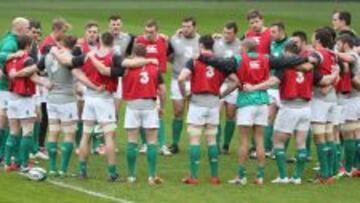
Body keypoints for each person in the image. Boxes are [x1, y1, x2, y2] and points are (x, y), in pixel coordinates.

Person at [179, 35, 239, 185]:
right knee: (212, 140)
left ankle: (193, 176)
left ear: (200, 46)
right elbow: (236, 81)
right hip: (213, 104)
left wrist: (184, 94)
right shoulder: (220, 62)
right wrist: (222, 94)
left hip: (197, 103)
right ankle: (214, 176)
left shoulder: (194, 60)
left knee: (194, 139)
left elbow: (181, 78)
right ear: (213, 46)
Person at [0, 17, 30, 169]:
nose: (29, 30)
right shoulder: (11, 42)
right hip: (6, 88)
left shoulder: (12, 40)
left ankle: (11, 157)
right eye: (27, 27)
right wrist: (14, 56)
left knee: (12, 123)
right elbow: (1, 56)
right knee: (7, 122)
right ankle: (5, 156)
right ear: (19, 27)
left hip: (9, 87)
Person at [168, 17, 200, 154]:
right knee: (178, 111)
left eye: (188, 27)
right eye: (183, 26)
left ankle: (194, 143)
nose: (185, 29)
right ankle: (175, 143)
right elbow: (168, 56)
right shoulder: (174, 40)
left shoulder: (200, 40)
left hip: (195, 80)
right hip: (177, 79)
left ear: (195, 27)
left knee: (193, 112)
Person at [213, 21, 241, 153]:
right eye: (224, 32)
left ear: (235, 33)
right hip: (218, 83)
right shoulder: (216, 43)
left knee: (230, 114)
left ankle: (226, 144)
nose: (226, 35)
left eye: (229, 33)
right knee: (216, 113)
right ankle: (217, 144)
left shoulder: (241, 46)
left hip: (233, 84)